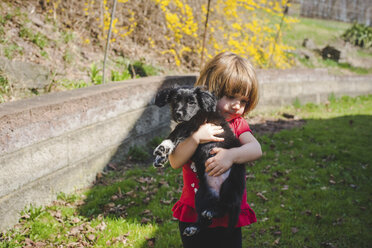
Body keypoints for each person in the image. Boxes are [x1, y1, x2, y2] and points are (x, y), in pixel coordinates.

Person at [169, 51, 262, 248]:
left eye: (243, 101)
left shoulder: (237, 124)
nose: (237, 105)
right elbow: (175, 161)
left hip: (227, 211)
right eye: (230, 97)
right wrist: (196, 137)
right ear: (209, 91)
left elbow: (256, 149)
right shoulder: (193, 123)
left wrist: (232, 155)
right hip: (194, 210)